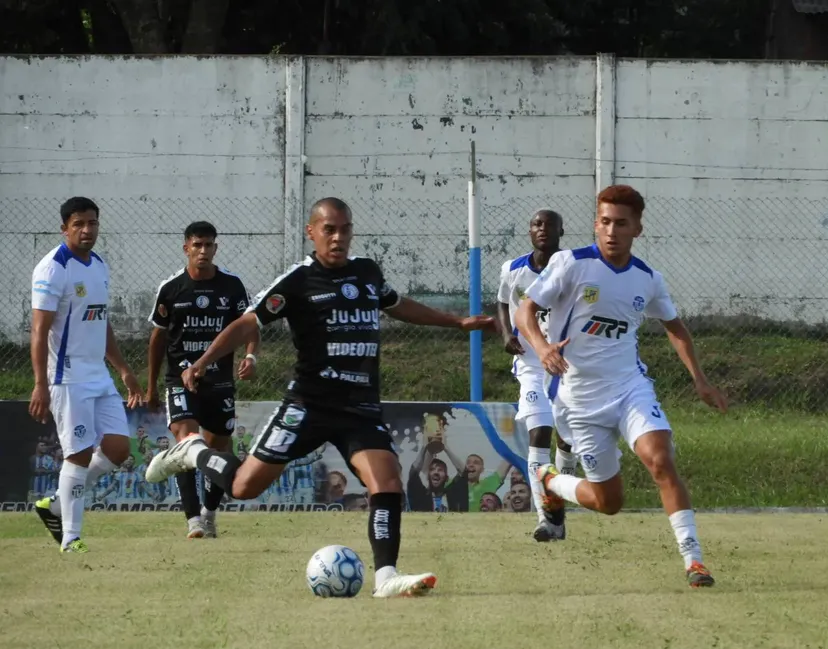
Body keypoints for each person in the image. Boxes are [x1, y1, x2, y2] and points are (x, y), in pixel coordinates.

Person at [146, 197, 495, 598]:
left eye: (345, 229)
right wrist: (204, 360)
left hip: (359, 407)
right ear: (311, 232)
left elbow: (398, 305)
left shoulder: (367, 273)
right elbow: (248, 323)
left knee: (387, 483)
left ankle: (385, 578)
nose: (338, 237)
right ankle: (191, 452)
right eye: (329, 229)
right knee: (243, 487)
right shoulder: (298, 281)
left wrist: (457, 321)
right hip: (307, 406)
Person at [514, 185, 728, 588]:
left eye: (621, 224)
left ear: (638, 229)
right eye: (605, 222)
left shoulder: (647, 279)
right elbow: (527, 310)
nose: (611, 231)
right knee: (609, 503)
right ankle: (551, 482)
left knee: (661, 460)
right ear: (596, 224)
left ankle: (694, 560)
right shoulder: (570, 264)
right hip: (578, 400)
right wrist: (542, 348)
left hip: (630, 387)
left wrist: (700, 380)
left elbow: (675, 328)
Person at [29, 197, 143, 552]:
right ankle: (71, 538)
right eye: (78, 224)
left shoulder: (98, 265)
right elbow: (38, 331)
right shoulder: (52, 268)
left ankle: (57, 505)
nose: (87, 230)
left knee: (118, 448)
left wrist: (123, 368)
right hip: (68, 377)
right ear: (64, 228)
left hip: (99, 375)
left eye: (92, 223)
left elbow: (99, 320)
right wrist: (40, 384)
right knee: (77, 455)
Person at [146, 221, 259, 538]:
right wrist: (151, 386)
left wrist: (251, 357)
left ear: (216, 248)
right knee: (187, 444)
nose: (203, 251)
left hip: (219, 382)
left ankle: (209, 513)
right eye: (197, 245)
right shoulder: (171, 290)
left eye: (209, 245)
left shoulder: (232, 287)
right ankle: (193, 519)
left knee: (218, 450)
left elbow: (250, 327)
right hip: (179, 380)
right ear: (186, 248)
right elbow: (157, 339)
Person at [497, 209, 578, 541]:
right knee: (539, 433)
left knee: (568, 440)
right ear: (530, 231)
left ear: (562, 230)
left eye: (549, 224)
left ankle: (560, 504)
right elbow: (503, 303)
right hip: (531, 363)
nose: (542, 229)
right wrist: (506, 335)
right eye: (536, 224)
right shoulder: (513, 269)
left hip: (569, 363)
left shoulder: (573, 268)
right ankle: (547, 518)